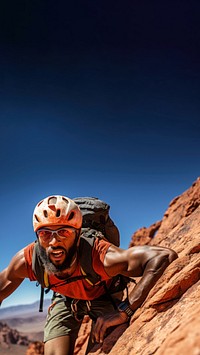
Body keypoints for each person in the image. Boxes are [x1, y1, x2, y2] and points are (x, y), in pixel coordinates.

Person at [0, 195, 178, 355]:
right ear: (37, 236)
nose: (54, 242)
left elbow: (163, 256)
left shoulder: (99, 256)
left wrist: (125, 310)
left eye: (63, 232)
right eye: (45, 233)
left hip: (103, 296)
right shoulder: (29, 260)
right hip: (66, 299)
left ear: (78, 235)